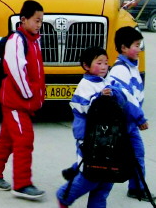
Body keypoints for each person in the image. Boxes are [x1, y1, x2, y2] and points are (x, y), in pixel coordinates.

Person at [57, 46, 144, 207]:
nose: (104, 66)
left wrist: (139, 118)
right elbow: (85, 108)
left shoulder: (109, 82)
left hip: (110, 138)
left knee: (107, 178)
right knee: (92, 175)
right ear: (86, 66)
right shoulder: (85, 86)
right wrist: (99, 98)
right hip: (89, 139)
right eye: (99, 63)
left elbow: (126, 99)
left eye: (106, 62)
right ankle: (64, 195)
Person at [0, 0, 46, 200]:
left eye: (41, 21)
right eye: (36, 20)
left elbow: (37, 71)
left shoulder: (34, 40)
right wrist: (29, 95)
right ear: (23, 19)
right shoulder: (17, 40)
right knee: (24, 139)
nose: (39, 25)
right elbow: (16, 70)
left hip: (24, 101)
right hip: (15, 102)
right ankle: (22, 183)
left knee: (7, 139)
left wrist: (39, 96)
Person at [105, 27, 154, 202]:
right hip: (124, 123)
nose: (139, 49)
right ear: (124, 48)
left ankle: (136, 188)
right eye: (136, 45)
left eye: (140, 45)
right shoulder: (120, 70)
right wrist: (140, 117)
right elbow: (126, 98)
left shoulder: (132, 67)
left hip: (129, 123)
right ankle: (75, 185)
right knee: (109, 158)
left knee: (136, 154)